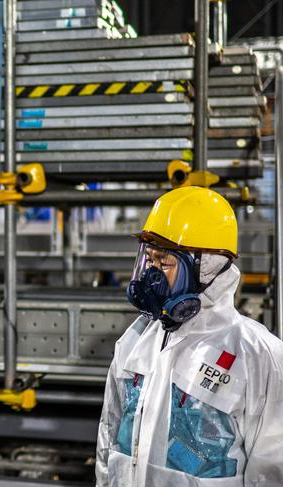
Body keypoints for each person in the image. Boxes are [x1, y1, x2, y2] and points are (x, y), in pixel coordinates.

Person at [95, 186, 283, 486]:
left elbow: (272, 470)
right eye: (150, 260)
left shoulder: (258, 355)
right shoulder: (135, 341)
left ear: (205, 265)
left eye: (165, 262)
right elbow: (109, 439)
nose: (151, 275)